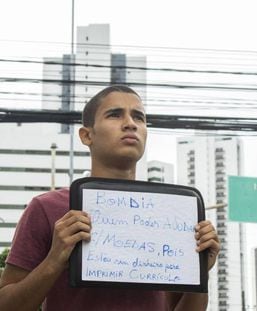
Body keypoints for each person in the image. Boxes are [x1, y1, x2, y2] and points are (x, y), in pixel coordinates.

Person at [0, 85, 220, 310]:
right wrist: (54, 260)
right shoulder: (46, 208)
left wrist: (201, 272)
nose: (130, 123)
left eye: (139, 117)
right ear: (87, 135)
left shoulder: (173, 215)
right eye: (115, 114)